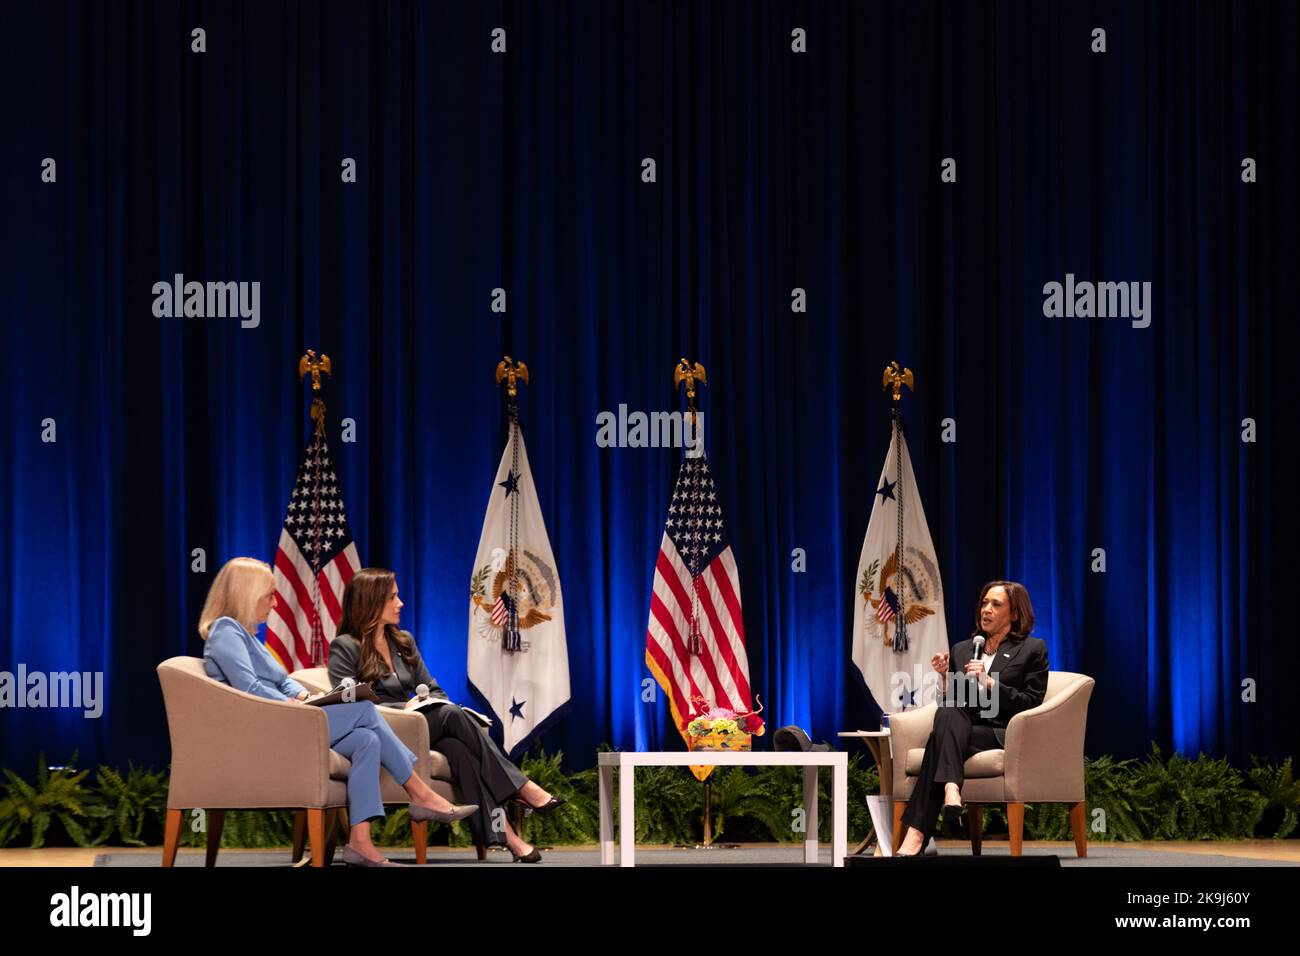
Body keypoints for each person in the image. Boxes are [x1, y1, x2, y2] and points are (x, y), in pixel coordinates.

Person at [198, 557, 478, 867]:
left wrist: (305, 695)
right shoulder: (226, 631)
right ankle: (419, 793)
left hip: (285, 720)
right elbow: (250, 689)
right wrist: (296, 706)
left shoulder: (247, 636)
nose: (275, 604)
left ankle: (360, 843)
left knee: (365, 741)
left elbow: (282, 682)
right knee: (363, 710)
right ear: (245, 594)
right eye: (269, 595)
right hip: (267, 730)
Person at [329, 567, 564, 863]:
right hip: (386, 729)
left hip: (420, 725)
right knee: (452, 715)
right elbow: (348, 704)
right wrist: (404, 709)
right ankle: (521, 786)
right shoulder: (345, 647)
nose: (400, 603)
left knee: (460, 751)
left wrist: (420, 704)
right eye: (393, 597)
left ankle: (508, 837)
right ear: (371, 602)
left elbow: (436, 691)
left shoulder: (403, 642)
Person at [895, 580, 1049, 857]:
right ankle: (950, 789)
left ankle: (916, 836)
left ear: (1014, 614)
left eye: (996, 604)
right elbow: (954, 702)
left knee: (937, 743)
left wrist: (990, 683)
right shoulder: (963, 649)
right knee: (948, 715)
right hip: (963, 727)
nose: (986, 610)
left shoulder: (1032, 649)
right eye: (984, 603)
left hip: (1000, 731)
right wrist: (945, 677)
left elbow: (1031, 702)